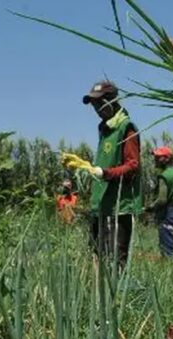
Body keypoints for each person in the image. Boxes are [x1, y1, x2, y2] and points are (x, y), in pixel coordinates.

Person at [63, 80, 142, 270]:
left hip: (118, 207)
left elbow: (133, 166)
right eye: (94, 105)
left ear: (112, 100)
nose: (97, 108)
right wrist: (84, 166)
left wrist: (105, 173)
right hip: (100, 204)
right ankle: (98, 297)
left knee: (115, 261)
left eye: (99, 103)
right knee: (97, 258)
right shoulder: (104, 128)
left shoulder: (126, 127)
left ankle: (116, 298)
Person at [148, 146, 173, 258]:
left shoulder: (163, 176)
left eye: (159, 157)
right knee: (170, 239)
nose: (155, 159)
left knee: (167, 248)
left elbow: (162, 200)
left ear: (167, 158)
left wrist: (150, 207)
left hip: (168, 212)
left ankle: (172, 270)